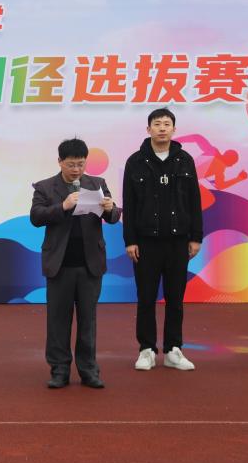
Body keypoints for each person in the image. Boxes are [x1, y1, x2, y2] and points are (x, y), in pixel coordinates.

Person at [31, 138, 120, 389]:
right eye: (71, 165)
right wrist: (63, 206)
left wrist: (110, 208)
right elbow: (36, 217)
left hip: (90, 263)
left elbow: (114, 216)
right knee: (58, 321)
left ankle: (89, 370)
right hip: (60, 264)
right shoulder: (45, 187)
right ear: (60, 162)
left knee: (88, 320)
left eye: (81, 164)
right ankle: (59, 370)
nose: (76, 170)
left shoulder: (97, 184)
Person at [123, 108, 203, 372]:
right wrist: (130, 240)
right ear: (148, 129)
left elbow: (194, 200)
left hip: (178, 242)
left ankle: (173, 349)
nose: (162, 128)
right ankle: (146, 350)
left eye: (167, 124)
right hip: (146, 242)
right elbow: (129, 204)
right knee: (146, 298)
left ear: (174, 130)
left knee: (175, 299)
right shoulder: (135, 161)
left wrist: (196, 237)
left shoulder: (185, 160)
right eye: (157, 124)